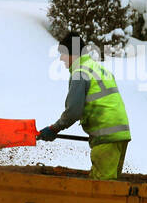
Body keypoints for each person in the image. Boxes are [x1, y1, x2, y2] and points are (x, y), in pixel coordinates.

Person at [38, 33, 131, 180]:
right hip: (120, 133)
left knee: (101, 190)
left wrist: (54, 128)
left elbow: (73, 112)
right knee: (112, 188)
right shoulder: (99, 69)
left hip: (106, 136)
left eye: (62, 54)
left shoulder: (80, 73)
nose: (61, 58)